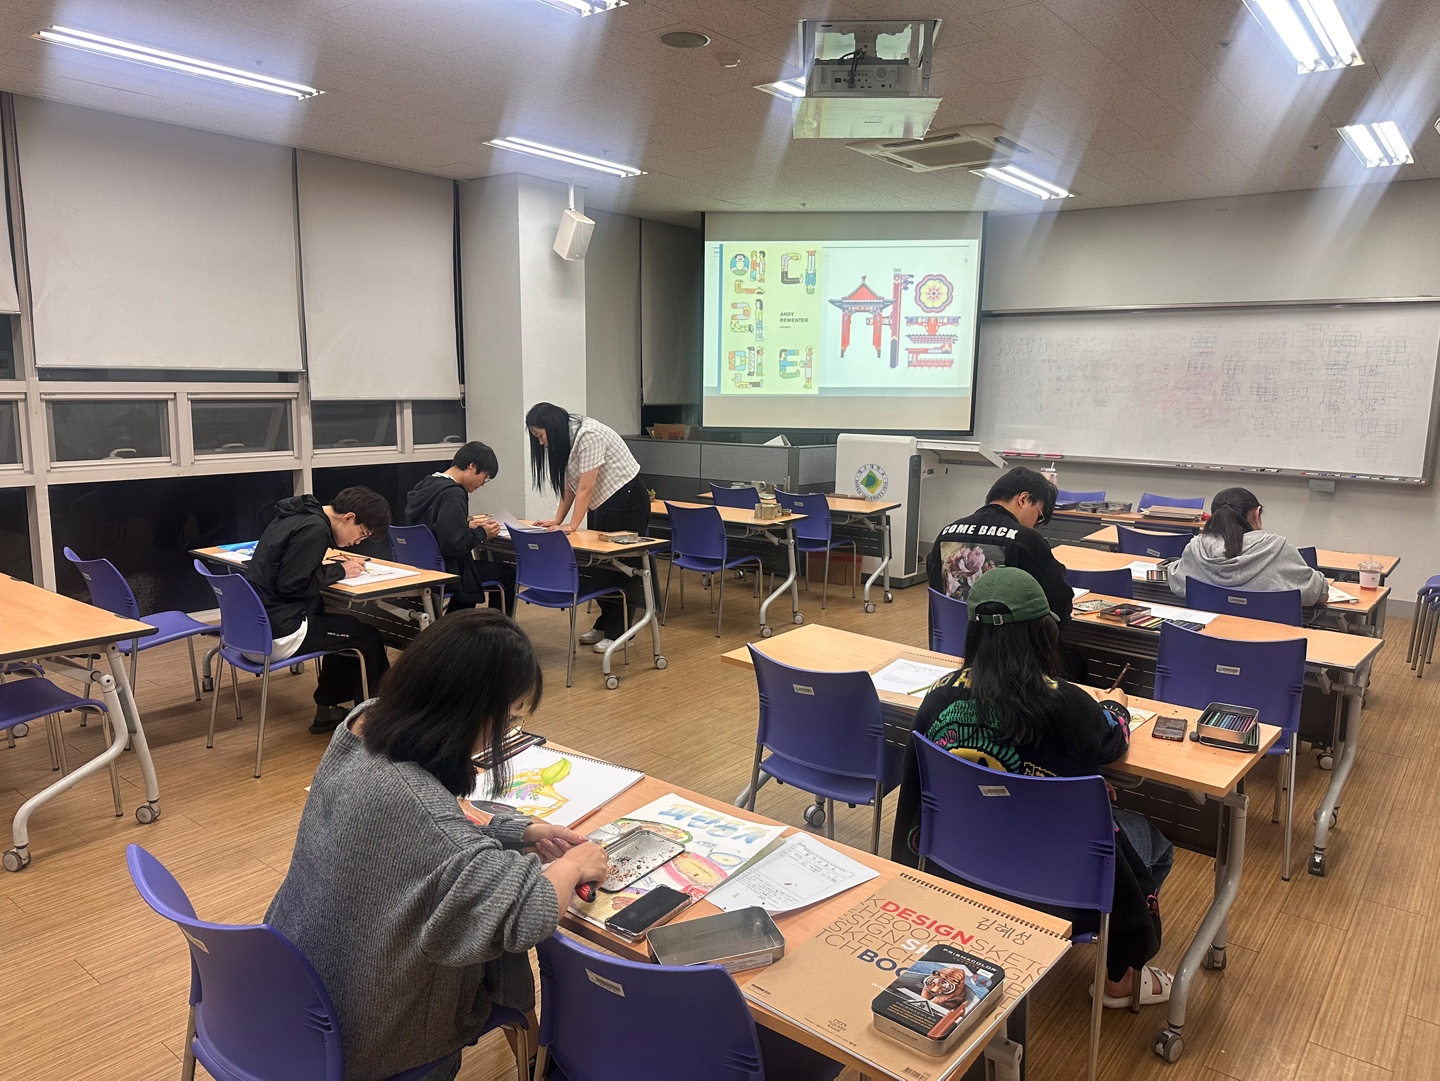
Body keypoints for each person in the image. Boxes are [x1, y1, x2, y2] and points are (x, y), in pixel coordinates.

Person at [266, 610, 609, 1081]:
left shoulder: (361, 725)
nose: (504, 731)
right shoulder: (423, 813)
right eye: (508, 718)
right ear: (471, 711)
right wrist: (574, 865)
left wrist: (517, 832)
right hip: (368, 1035)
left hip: (289, 987)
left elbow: (424, 833)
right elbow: (528, 914)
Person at [891, 568, 1175, 1009]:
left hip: (959, 865)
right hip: (1059, 887)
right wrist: (1115, 705)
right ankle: (1119, 982)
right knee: (1153, 842)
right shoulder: (1067, 702)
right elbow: (1112, 739)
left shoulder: (939, 695)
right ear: (1045, 634)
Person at [243, 487, 393, 733]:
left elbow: (287, 568)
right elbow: (291, 585)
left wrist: (326, 568)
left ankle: (328, 711)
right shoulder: (316, 529)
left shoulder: (295, 515)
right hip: (279, 632)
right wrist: (340, 571)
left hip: (252, 629)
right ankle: (377, 722)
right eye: (362, 534)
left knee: (345, 627)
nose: (357, 542)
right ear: (349, 518)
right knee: (365, 636)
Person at [526, 402, 648, 652]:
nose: (540, 442)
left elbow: (586, 487)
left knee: (621, 564)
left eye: (540, 436)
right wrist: (558, 520)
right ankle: (606, 624)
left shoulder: (589, 434)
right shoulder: (566, 440)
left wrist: (572, 525)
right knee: (600, 564)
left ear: (552, 427)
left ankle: (621, 632)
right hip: (603, 502)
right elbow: (570, 485)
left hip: (627, 499)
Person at [928, 466, 1072, 622]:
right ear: (1023, 499)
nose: (1033, 525)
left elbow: (938, 594)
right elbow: (1059, 603)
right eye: (1038, 516)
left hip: (950, 632)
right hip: (1004, 636)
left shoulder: (947, 533)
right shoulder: (1027, 540)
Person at [1168, 487, 1327, 616]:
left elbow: (1178, 582)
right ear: (1257, 513)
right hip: (1268, 641)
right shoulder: (1277, 547)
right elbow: (1315, 593)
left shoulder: (1196, 547)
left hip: (1207, 640)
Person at [404, 440, 515, 614]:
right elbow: (454, 544)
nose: (482, 484)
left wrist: (464, 524)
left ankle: (455, 621)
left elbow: (430, 526)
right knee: (506, 573)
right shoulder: (454, 493)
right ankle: (496, 625)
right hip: (447, 570)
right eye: (485, 477)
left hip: (421, 564)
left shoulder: (426, 484)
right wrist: (482, 533)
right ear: (472, 466)